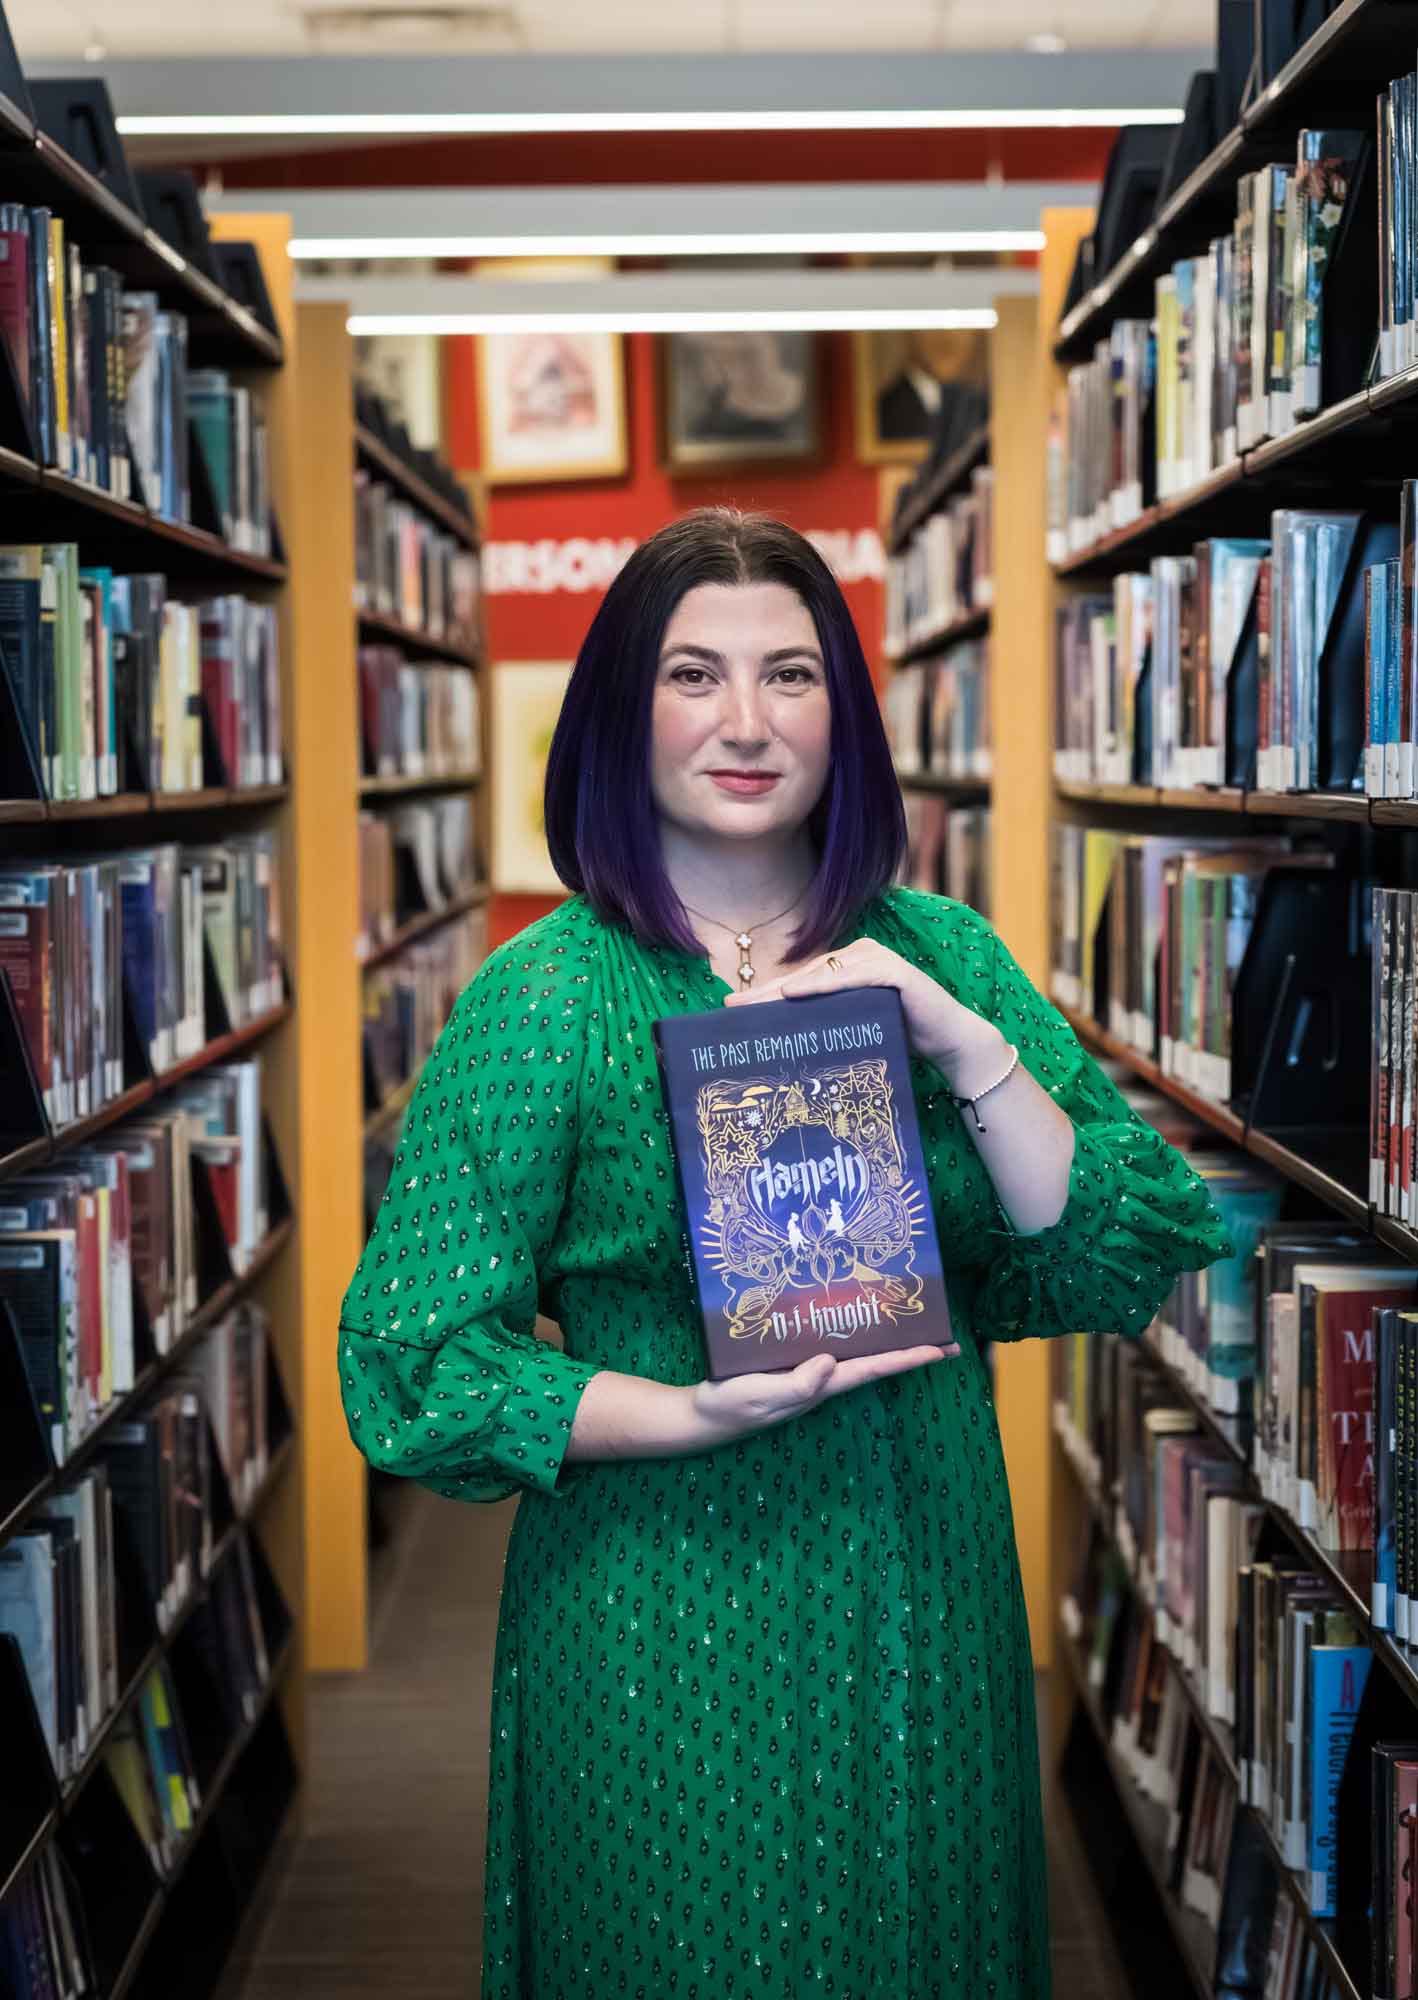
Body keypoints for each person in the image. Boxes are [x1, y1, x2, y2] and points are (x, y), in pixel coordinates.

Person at [338, 508, 1232, 2000]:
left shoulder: (944, 954)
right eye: (694, 676)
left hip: (917, 1570)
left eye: (792, 677)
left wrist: (959, 1043)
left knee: (919, 1940)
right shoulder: (542, 1000)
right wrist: (686, 1412)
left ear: (846, 714)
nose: (746, 723)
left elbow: (1101, 1256)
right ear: (623, 714)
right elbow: (417, 1361)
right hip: (655, 1594)